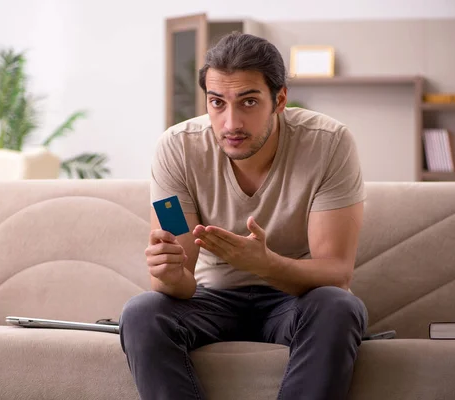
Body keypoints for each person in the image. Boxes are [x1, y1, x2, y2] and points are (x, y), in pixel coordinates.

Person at [119, 32, 368, 400]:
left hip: (294, 300)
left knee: (338, 306)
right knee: (142, 312)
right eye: (217, 103)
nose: (230, 122)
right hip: (209, 299)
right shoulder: (177, 149)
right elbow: (180, 281)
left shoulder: (329, 143)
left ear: (279, 99)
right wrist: (169, 274)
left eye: (248, 101)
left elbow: (336, 272)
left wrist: (264, 264)